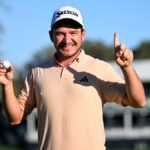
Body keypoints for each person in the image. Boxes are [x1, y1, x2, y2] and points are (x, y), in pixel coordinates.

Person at [0, 5, 146, 150]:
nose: (67, 39)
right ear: (51, 35)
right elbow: (15, 118)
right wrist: (7, 85)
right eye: (60, 33)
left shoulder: (99, 68)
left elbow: (138, 101)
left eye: (73, 32)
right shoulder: (37, 72)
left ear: (83, 34)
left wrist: (127, 68)